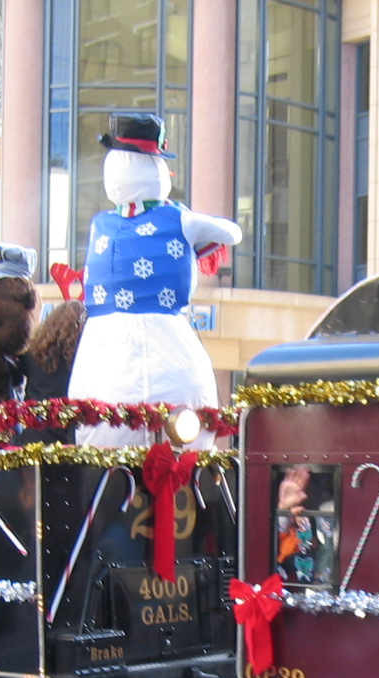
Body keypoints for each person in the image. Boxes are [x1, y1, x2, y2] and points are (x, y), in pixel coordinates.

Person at [67, 111, 241, 449]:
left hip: (102, 350)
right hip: (164, 343)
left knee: (102, 433)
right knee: (178, 431)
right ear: (156, 169)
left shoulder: (100, 224)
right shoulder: (180, 219)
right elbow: (231, 233)